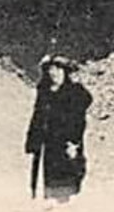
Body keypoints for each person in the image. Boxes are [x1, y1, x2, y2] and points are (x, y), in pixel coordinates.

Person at [25, 54, 93, 201]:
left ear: (65, 72)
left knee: (66, 178)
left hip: (65, 142)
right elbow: (37, 116)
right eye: (50, 70)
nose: (53, 73)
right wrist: (32, 140)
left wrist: (74, 142)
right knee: (46, 179)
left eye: (57, 69)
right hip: (47, 144)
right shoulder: (44, 92)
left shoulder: (74, 92)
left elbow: (79, 119)